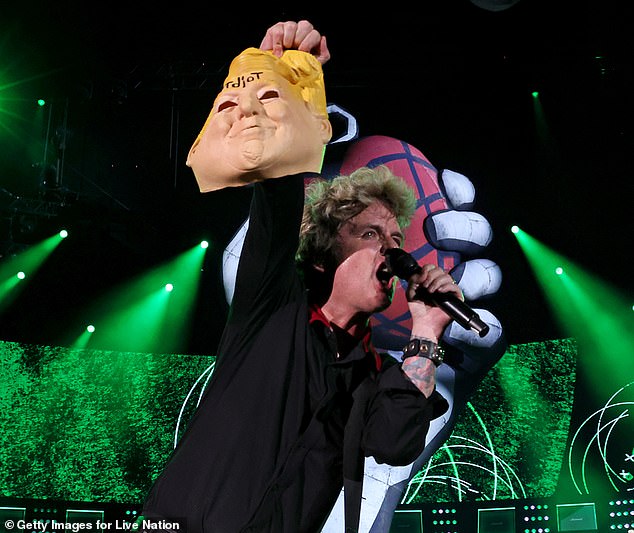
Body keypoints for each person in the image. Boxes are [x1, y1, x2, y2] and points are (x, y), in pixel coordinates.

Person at [140, 20, 463, 533]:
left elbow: (397, 444)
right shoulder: (271, 305)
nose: (394, 253)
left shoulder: (374, 373)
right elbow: (278, 188)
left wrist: (425, 332)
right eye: (372, 236)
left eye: (398, 242)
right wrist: (288, 83)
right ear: (323, 256)